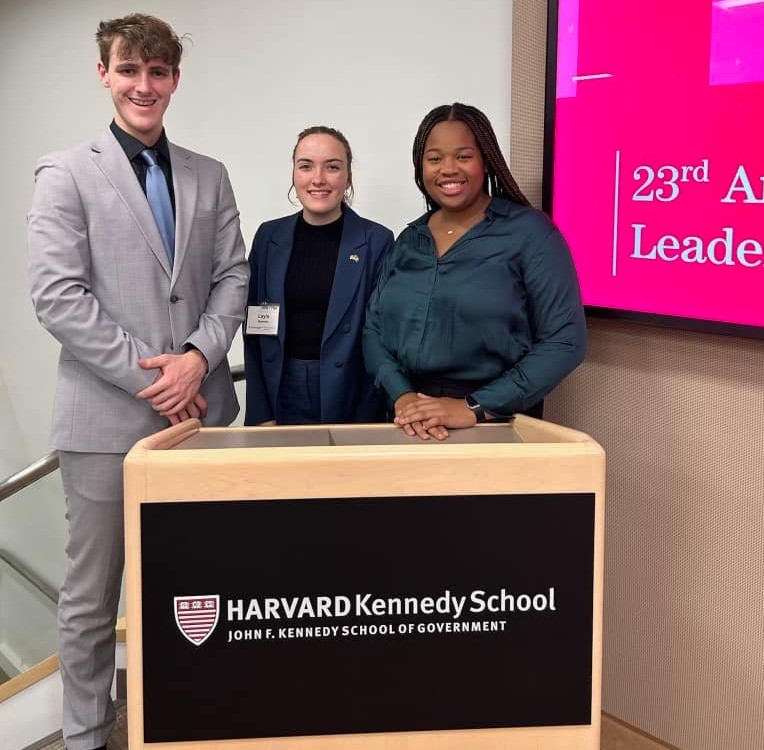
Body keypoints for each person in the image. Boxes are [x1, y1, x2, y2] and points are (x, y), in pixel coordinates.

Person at [27, 14, 249, 750]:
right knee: (92, 599)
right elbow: (58, 297)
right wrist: (153, 379)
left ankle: (192, 723)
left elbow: (232, 277)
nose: (143, 86)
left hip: (203, 416)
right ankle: (87, 736)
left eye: (157, 73)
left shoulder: (207, 174)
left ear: (174, 80)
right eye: (129, 71)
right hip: (103, 424)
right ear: (104, 73)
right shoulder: (65, 173)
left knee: (200, 588)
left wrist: (196, 357)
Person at [362, 103, 587, 440]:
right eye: (434, 159)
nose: (448, 169)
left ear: (486, 161)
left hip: (496, 423)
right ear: (420, 167)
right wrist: (403, 397)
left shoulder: (530, 234)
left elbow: (565, 340)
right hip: (407, 422)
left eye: (463, 156)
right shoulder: (410, 239)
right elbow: (373, 329)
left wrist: (473, 407)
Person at [244, 126, 394, 425]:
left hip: (350, 397)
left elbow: (382, 338)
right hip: (281, 391)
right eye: (306, 166)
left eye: (333, 167)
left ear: (348, 177)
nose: (318, 179)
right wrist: (261, 412)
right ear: (294, 175)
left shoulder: (377, 241)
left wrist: (366, 420)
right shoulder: (268, 236)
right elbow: (255, 328)